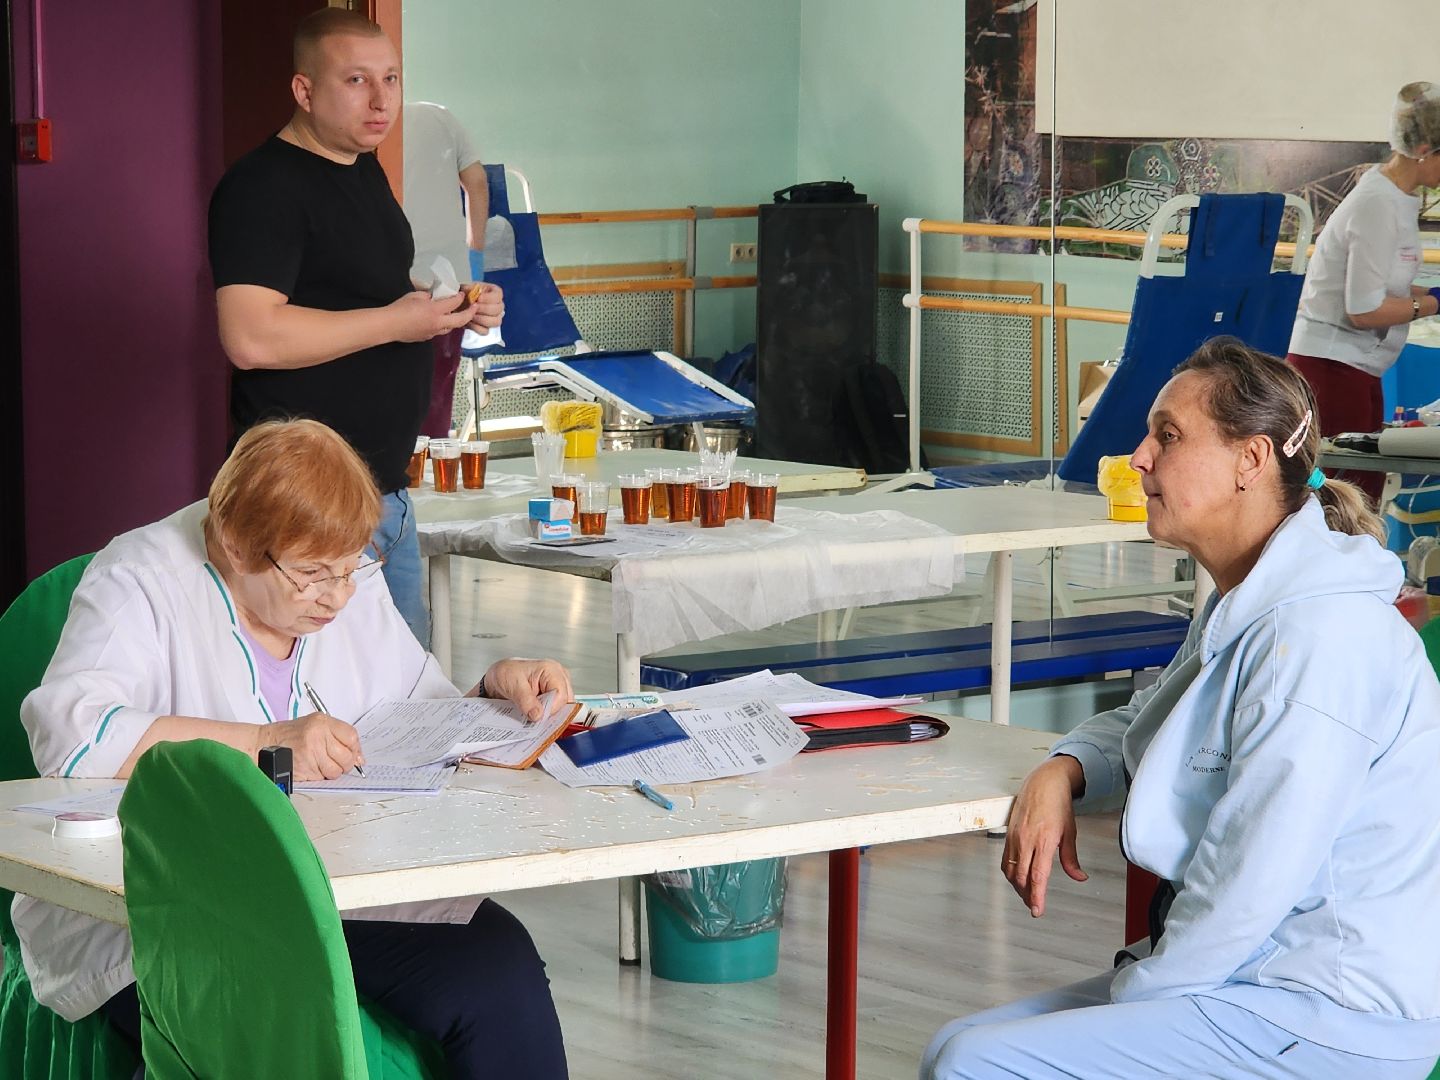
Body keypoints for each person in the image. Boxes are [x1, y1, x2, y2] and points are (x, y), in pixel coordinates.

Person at [922, 339, 1440, 1080]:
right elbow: (1155, 723)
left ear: (1250, 460)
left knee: (976, 1064)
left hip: (1326, 1012)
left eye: (1167, 436)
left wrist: (1134, 997)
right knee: (955, 1046)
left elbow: (1245, 889)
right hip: (1259, 985)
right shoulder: (1254, 602)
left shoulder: (1316, 638)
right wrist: (1064, 766)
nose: (1138, 457)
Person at [18, 419, 571, 1079]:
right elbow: (72, 735)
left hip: (336, 884)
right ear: (232, 542)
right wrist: (265, 744)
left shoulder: (342, 580)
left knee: (497, 961)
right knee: (248, 1004)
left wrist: (490, 693)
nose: (338, 596)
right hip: (169, 900)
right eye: (312, 576)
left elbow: (416, 714)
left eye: (349, 568)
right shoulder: (140, 578)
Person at [208, 8, 501, 647]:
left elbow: (364, 298)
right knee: (335, 720)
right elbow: (251, 336)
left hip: (382, 492)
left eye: (391, 79)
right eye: (357, 81)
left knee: (403, 714)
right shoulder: (262, 188)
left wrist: (445, 305)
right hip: (306, 512)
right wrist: (398, 322)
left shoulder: (362, 167)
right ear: (304, 91)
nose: (381, 100)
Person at [1288, 81, 1440, 505]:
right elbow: (1364, 308)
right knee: (1344, 497)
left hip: (1357, 369)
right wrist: (1435, 304)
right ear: (1425, 148)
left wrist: (1430, 293)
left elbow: (1383, 282)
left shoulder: (1397, 198)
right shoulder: (1376, 205)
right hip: (1330, 367)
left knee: (1362, 491)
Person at [403, 100, 491, 438]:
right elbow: (477, 182)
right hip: (453, 281)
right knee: (437, 395)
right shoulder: (440, 116)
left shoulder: (367, 127)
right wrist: (475, 256)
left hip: (397, 281)